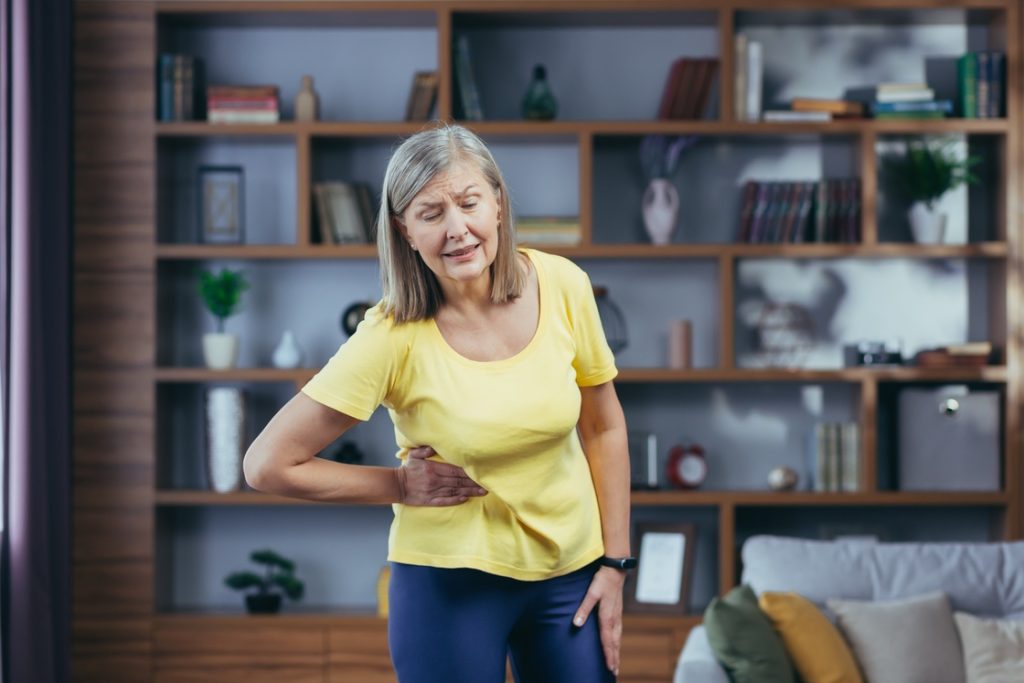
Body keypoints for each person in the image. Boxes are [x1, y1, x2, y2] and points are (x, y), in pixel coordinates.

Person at [243, 123, 632, 683]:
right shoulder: (390, 335)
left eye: (470, 202)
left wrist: (615, 564)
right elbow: (267, 464)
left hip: (570, 574)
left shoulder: (564, 284)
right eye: (431, 214)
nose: (458, 230)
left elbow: (604, 428)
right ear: (404, 230)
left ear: (497, 202)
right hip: (449, 584)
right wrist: (397, 485)